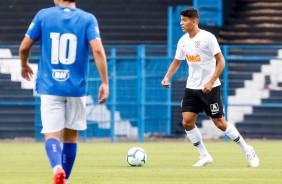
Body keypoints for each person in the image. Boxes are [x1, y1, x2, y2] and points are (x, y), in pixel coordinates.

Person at [19, 0, 109, 183]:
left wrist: (24, 64)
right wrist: (105, 82)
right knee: (71, 136)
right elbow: (98, 51)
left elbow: (24, 47)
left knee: (52, 135)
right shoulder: (88, 19)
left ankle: (57, 168)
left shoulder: (43, 15)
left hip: (50, 86)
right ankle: (65, 179)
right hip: (76, 88)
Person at [161, 8, 259, 167]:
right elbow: (177, 62)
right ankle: (204, 155)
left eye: (184, 20)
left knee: (220, 123)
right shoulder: (183, 41)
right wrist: (166, 77)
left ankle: (248, 150)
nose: (181, 23)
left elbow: (221, 62)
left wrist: (211, 82)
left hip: (210, 89)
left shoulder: (208, 38)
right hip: (191, 88)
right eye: (181, 20)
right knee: (187, 122)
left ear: (194, 21)